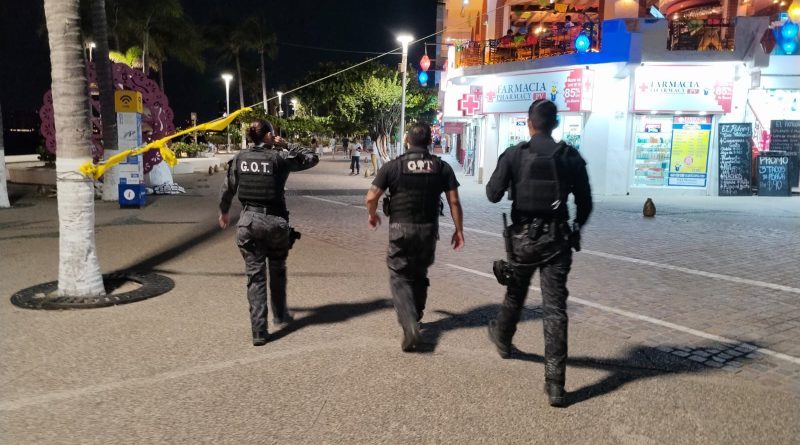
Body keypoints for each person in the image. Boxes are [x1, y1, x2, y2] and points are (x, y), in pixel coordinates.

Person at [485, 99, 592, 407]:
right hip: (557, 240)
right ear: (555, 124)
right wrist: (576, 226)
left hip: (523, 241)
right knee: (555, 308)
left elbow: (492, 194)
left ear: (529, 123)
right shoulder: (569, 156)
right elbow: (585, 202)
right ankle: (555, 383)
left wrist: (511, 178)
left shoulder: (514, 154)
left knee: (515, 294)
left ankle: (503, 338)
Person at [365, 122, 465, 352]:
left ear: (407, 141)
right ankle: (417, 316)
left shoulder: (393, 166)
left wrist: (372, 215)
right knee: (419, 273)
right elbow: (454, 201)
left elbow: (371, 197)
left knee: (400, 276)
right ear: (430, 141)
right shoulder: (442, 167)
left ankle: (409, 325)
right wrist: (459, 230)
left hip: (400, 228)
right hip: (428, 230)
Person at [218, 119, 319, 346]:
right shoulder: (279, 158)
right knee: (277, 268)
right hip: (275, 223)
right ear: (268, 136)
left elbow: (228, 188)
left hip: (249, 223)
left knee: (255, 277)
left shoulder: (240, 158)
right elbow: (312, 158)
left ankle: (259, 331)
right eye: (272, 133)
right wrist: (287, 144)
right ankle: (280, 314)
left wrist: (223, 211)